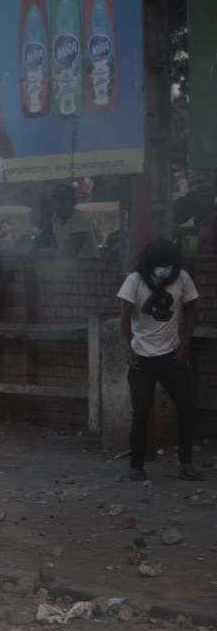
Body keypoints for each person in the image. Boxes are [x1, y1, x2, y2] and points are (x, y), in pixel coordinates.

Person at [116, 239, 204, 482]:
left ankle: (186, 463)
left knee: (186, 407)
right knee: (141, 412)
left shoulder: (182, 279)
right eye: (159, 265)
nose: (163, 270)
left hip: (171, 357)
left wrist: (186, 341)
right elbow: (124, 318)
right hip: (142, 359)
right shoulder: (135, 280)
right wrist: (128, 348)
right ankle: (136, 465)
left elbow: (191, 310)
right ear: (150, 264)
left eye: (168, 265)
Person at [51, 185, 100, 258]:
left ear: (72, 203)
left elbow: (72, 252)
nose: (59, 204)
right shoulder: (55, 218)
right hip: (65, 265)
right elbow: (55, 247)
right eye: (56, 200)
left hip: (90, 266)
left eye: (63, 201)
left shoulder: (79, 218)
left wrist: (47, 254)